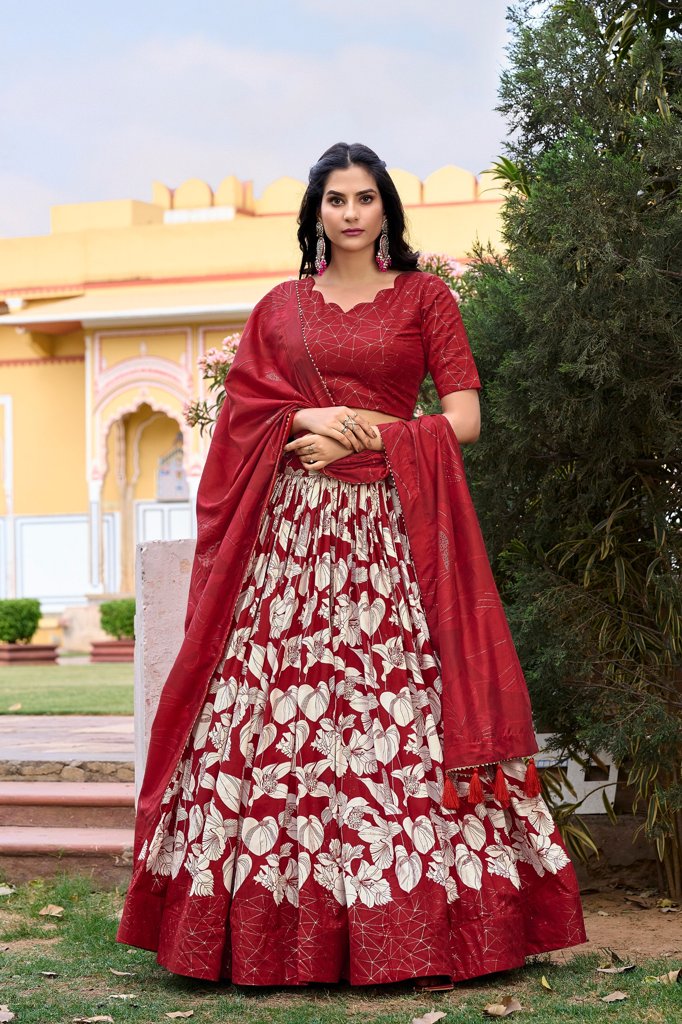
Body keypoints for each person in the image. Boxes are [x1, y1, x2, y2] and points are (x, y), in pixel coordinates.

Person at [117, 142, 586, 988]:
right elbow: (244, 419)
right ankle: (258, 930)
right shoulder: (280, 307)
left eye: (365, 198)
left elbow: (465, 417)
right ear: (317, 212)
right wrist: (313, 420)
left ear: (386, 211)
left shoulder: (426, 297)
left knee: (394, 717)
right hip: (290, 540)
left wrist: (369, 432)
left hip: (390, 534)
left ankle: (424, 931)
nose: (351, 213)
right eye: (336, 199)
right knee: (273, 718)